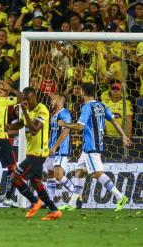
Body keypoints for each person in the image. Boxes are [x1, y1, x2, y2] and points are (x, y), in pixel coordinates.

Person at [58, 83, 132, 211]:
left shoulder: (87, 107)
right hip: (91, 147)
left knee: (97, 174)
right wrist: (123, 135)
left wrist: (65, 124)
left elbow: (80, 126)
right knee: (79, 172)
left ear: (82, 92)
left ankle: (120, 197)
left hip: (91, 146)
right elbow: (114, 121)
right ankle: (72, 203)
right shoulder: (102, 106)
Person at [8, 87, 62, 220]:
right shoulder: (27, 111)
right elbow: (21, 124)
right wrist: (7, 126)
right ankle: (54, 210)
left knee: (15, 178)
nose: (26, 101)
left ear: (35, 97)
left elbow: (34, 129)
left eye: (28, 99)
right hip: (32, 152)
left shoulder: (42, 109)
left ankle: (34, 202)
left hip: (38, 154)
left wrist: (25, 112)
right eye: (24, 99)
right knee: (36, 182)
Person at [44, 93, 74, 201]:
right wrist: (47, 145)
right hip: (52, 149)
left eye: (54, 98)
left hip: (61, 149)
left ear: (60, 101)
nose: (51, 100)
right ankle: (50, 201)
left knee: (58, 175)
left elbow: (65, 132)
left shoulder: (65, 114)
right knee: (51, 174)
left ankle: (77, 195)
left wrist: (55, 147)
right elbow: (52, 133)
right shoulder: (54, 115)